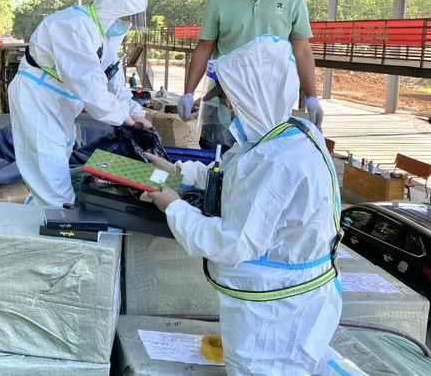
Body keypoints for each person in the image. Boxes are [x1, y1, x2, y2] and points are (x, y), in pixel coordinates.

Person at [146, 35, 342, 374]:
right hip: (277, 299)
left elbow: (234, 243)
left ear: (254, 95)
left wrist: (174, 207)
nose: (228, 109)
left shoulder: (279, 160)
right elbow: (234, 175)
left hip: (277, 309)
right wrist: (178, 172)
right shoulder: (281, 135)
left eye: (231, 100)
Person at [9, 0, 152, 207]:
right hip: (37, 97)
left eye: (133, 17)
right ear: (113, 9)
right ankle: (59, 220)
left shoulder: (104, 34)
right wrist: (126, 120)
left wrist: (135, 112)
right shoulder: (73, 26)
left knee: (57, 158)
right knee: (48, 164)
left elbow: (112, 77)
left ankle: (41, 211)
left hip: (58, 100)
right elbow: (91, 86)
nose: (128, 23)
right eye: (126, 16)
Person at [177, 0, 322, 152]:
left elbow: (302, 50)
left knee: (264, 161)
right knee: (217, 163)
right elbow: (204, 47)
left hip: (271, 105)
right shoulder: (219, 0)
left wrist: (312, 97)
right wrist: (188, 92)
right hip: (225, 101)